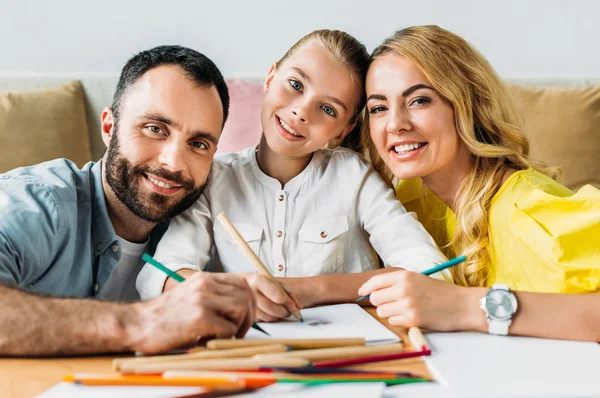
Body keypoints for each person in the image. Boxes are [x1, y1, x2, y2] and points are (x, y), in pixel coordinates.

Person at [137, 30, 447, 322]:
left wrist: (309, 290)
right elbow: (158, 275)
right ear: (271, 78)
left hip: (347, 349)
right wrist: (237, 291)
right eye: (296, 85)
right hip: (248, 348)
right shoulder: (217, 177)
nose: (301, 112)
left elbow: (430, 271)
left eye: (327, 109)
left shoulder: (354, 177)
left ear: (343, 131)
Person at [0, 45, 256, 356]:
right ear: (109, 127)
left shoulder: (206, 227)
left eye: (199, 144)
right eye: (154, 129)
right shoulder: (39, 204)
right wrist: (139, 323)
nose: (174, 163)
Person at [358, 25, 600, 341]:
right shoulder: (411, 199)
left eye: (419, 100)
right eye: (379, 108)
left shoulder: (526, 209)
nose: (395, 124)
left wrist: (462, 307)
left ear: (469, 105)